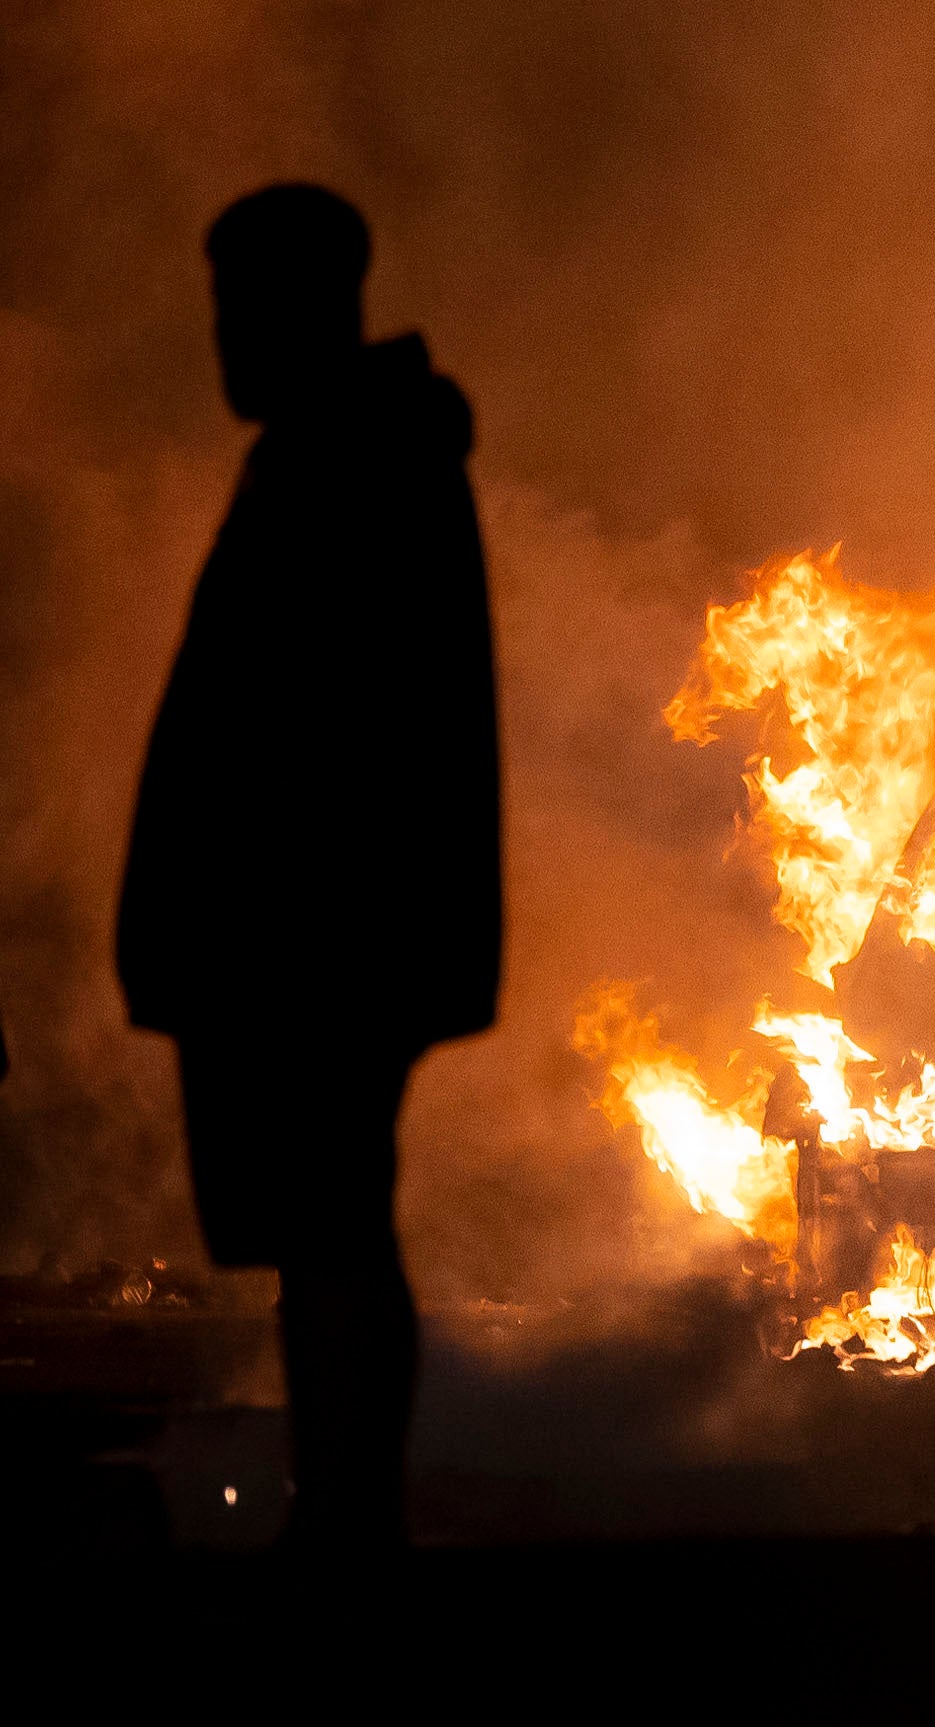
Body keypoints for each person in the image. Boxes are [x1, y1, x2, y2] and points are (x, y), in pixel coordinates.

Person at [118, 183, 501, 1548]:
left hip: (324, 934)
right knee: (323, 1235)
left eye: (244, 311)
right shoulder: (335, 454)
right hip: (309, 930)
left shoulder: (361, 464)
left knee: (333, 1236)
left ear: (312, 311)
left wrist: (263, 915)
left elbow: (334, 735)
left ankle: (346, 1523)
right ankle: (341, 1507)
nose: (224, 341)